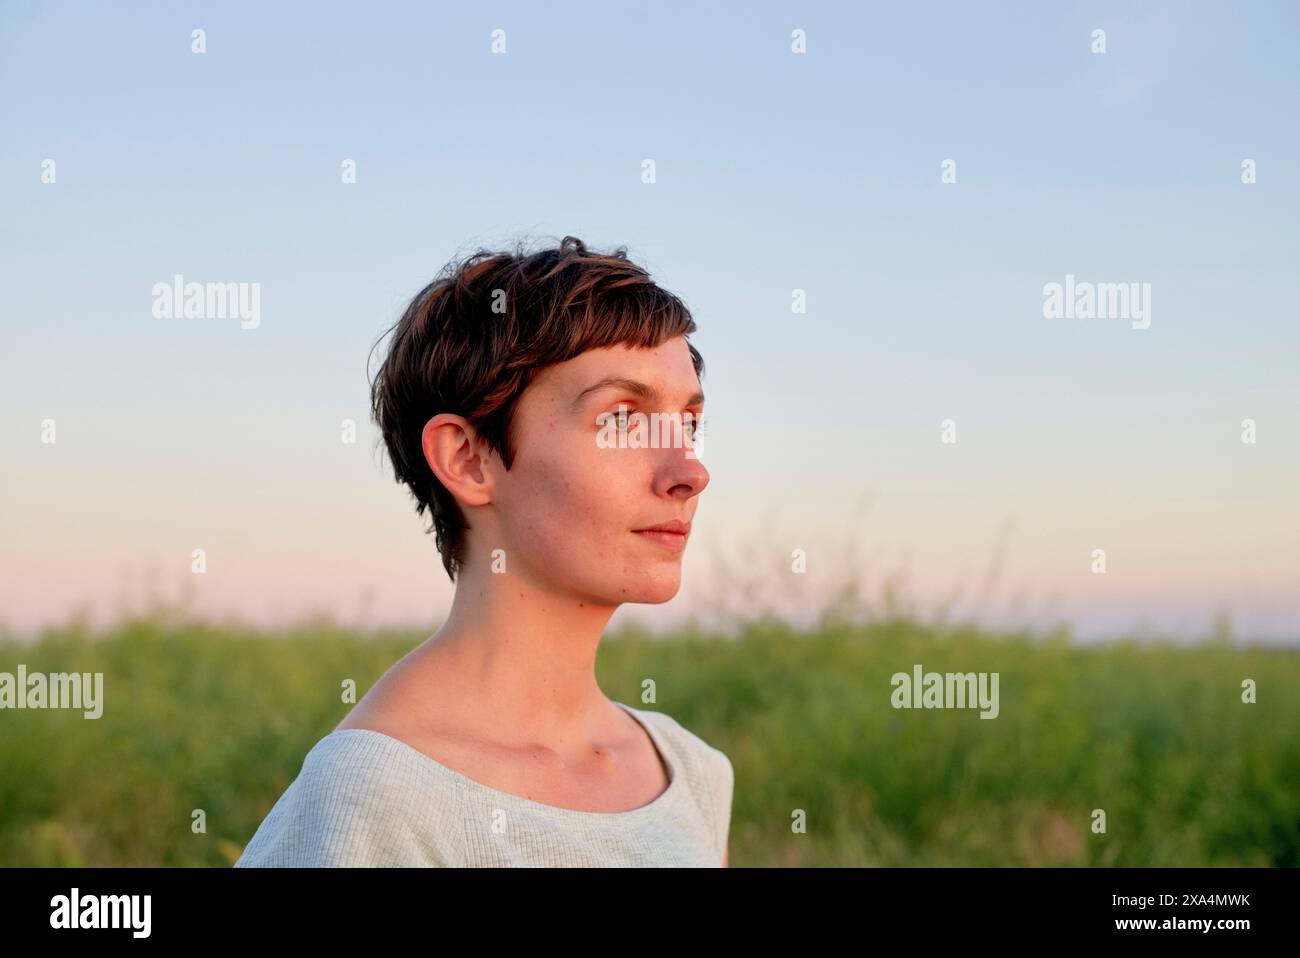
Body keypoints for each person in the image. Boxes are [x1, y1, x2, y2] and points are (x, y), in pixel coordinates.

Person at [235, 235, 733, 867]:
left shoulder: (690, 775)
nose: (689, 471)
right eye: (623, 419)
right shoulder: (373, 801)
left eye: (688, 425)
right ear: (469, 460)